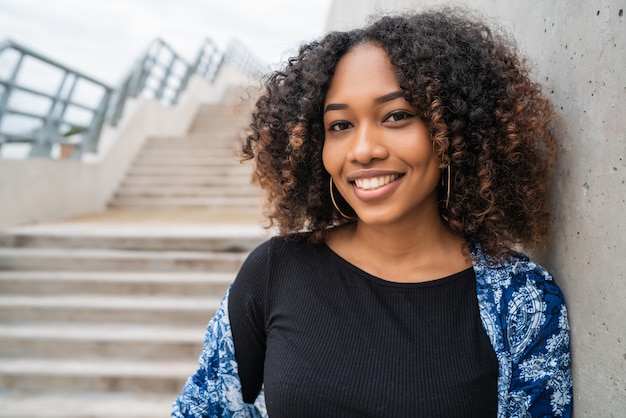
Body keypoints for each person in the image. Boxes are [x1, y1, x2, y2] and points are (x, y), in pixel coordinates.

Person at [173, 7, 572, 418]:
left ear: (451, 132)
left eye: (396, 116)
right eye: (340, 125)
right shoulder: (274, 272)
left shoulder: (521, 299)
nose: (363, 150)